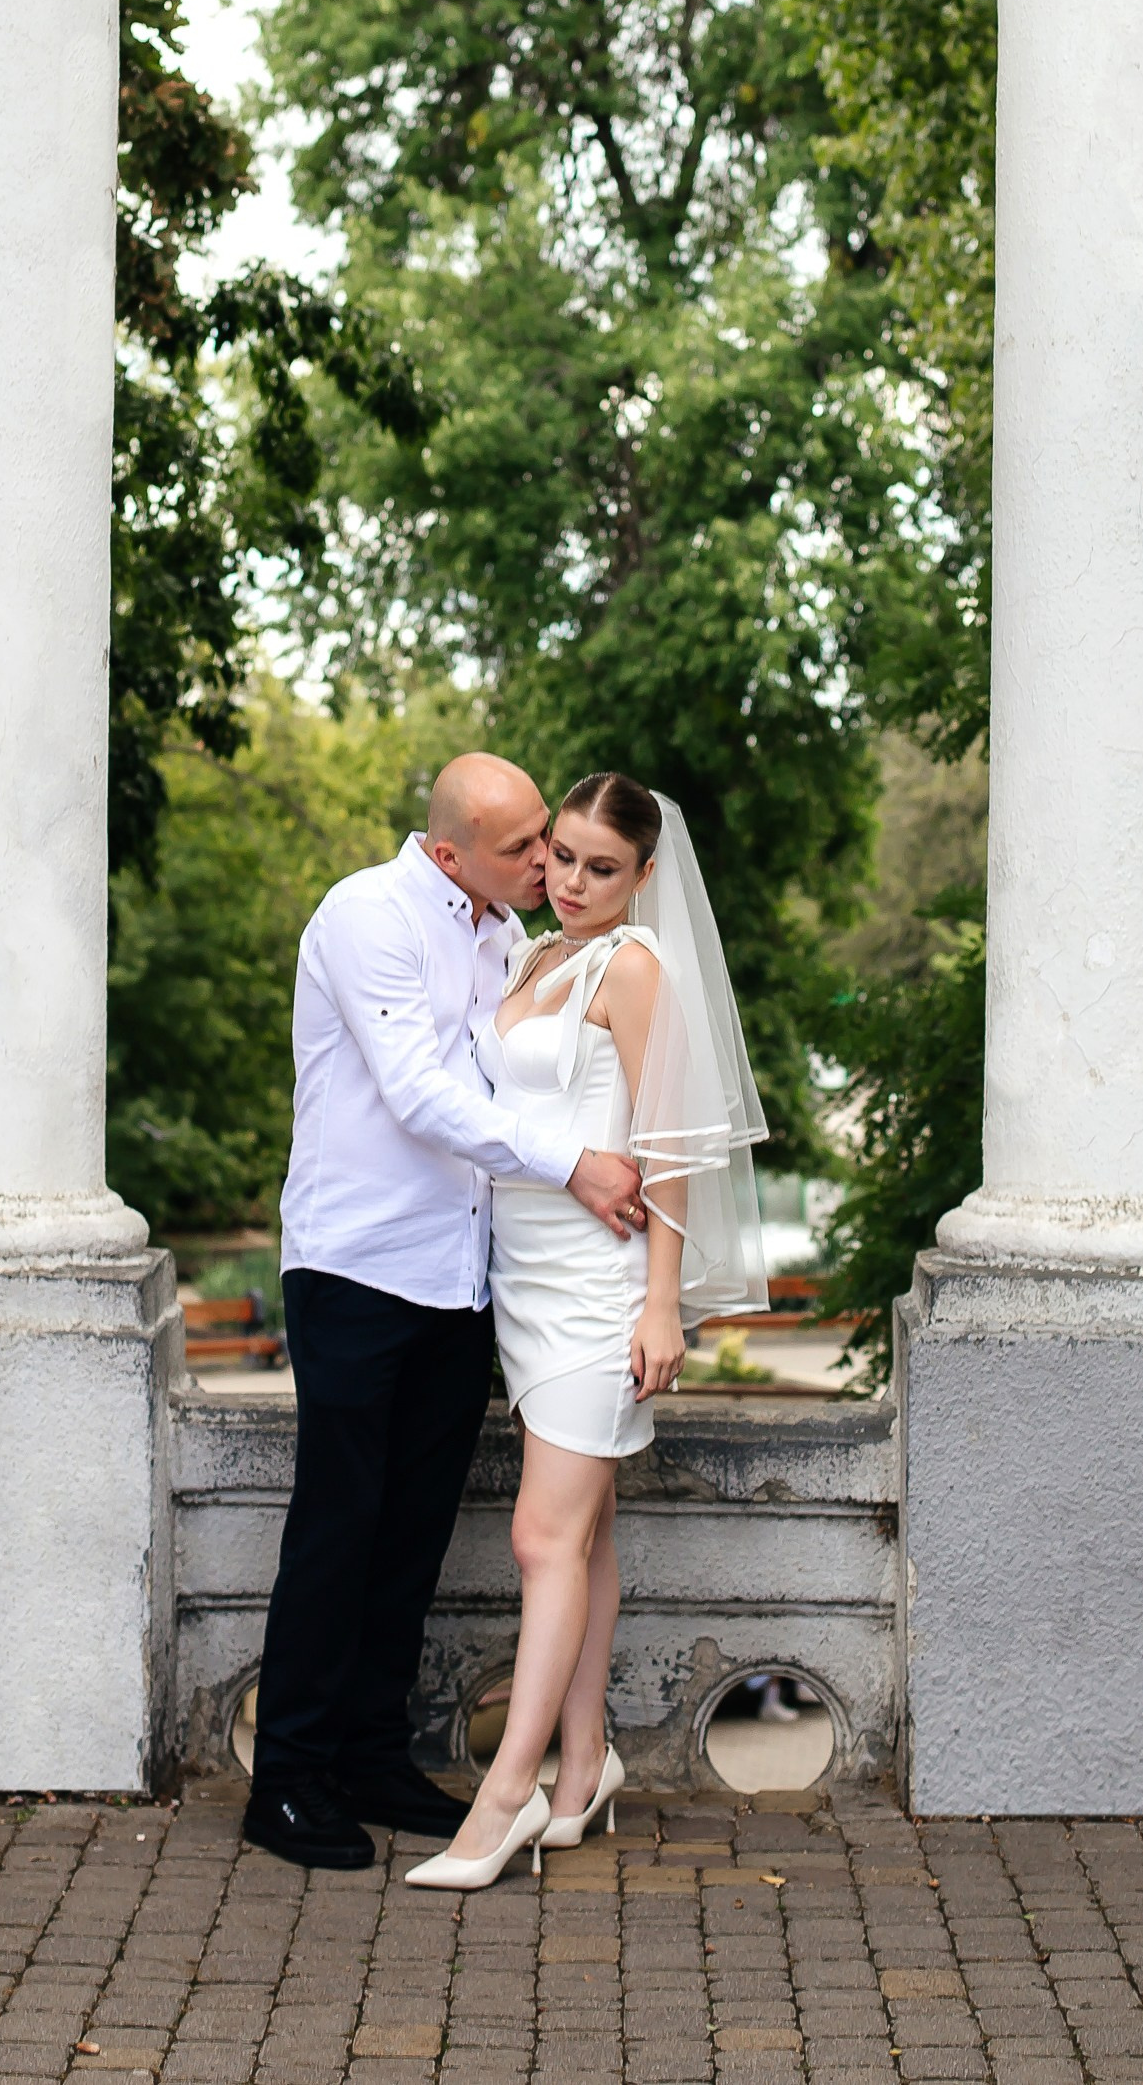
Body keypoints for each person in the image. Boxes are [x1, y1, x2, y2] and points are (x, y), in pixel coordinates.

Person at [243, 752, 650, 1871]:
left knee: (414, 1528)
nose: (543, 864)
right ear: (445, 850)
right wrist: (573, 1162)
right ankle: (286, 1780)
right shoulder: (366, 915)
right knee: (338, 1523)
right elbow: (421, 1094)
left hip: (460, 1279)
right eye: (524, 848)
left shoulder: (499, 936)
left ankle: (372, 1755)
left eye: (548, 843)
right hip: (356, 1268)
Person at [404, 771, 768, 1891]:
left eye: (600, 868)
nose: (569, 882)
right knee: (586, 1538)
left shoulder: (634, 968)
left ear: (645, 877)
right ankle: (580, 1769)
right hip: (522, 1275)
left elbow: (669, 1152)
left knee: (538, 1539)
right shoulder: (527, 956)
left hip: (600, 1288)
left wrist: (662, 1301)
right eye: (559, 856)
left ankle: (502, 1799)